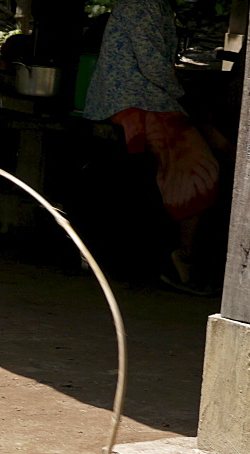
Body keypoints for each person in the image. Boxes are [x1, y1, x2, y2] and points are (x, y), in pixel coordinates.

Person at [83, 0, 221, 295]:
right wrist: (184, 94)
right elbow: (153, 65)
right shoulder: (141, 5)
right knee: (200, 166)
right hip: (137, 102)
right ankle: (183, 258)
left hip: (146, 99)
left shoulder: (155, 6)